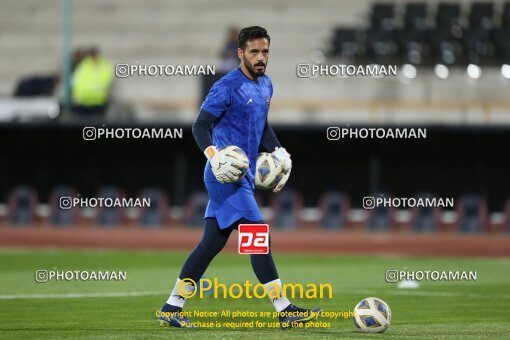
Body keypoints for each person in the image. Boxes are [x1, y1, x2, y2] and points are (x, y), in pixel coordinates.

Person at [157, 26, 321, 330]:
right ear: (240, 54)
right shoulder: (227, 86)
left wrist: (279, 150)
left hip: (244, 177)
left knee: (209, 245)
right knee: (258, 236)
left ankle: (172, 306)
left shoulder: (266, 85)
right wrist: (213, 156)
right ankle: (284, 309)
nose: (261, 57)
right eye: (254, 52)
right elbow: (199, 126)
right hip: (224, 175)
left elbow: (261, 125)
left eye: (265, 51)